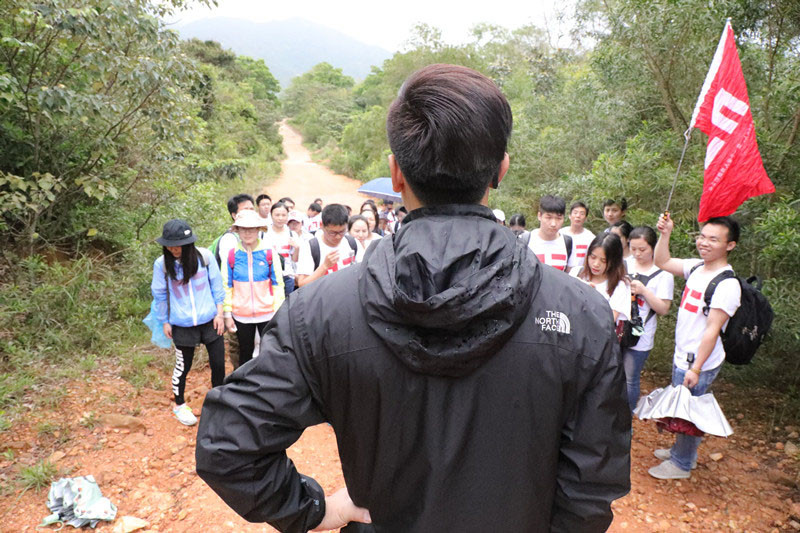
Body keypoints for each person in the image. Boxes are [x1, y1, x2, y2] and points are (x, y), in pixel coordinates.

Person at [196, 63, 630, 532]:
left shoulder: (321, 312)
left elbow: (229, 445)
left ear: (395, 172)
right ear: (500, 170)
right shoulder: (581, 313)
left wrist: (314, 509)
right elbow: (591, 486)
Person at [648, 214, 741, 480]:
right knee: (682, 408)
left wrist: (697, 368)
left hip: (698, 360)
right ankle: (680, 451)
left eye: (714, 239)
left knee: (690, 413)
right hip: (684, 355)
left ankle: (682, 463)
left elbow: (712, 330)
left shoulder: (726, 285)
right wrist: (665, 234)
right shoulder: (697, 268)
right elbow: (662, 261)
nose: (705, 243)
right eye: (702, 236)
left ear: (730, 245)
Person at [151, 220, 225, 426]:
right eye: (169, 245)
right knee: (183, 366)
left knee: (218, 363)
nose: (174, 249)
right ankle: (179, 405)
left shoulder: (205, 258)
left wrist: (220, 314)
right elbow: (159, 294)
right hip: (181, 323)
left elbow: (217, 287)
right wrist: (165, 321)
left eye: (178, 245)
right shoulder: (162, 265)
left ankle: (219, 403)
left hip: (210, 319)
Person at [221, 210, 285, 369]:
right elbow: (226, 286)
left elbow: (278, 285)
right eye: (243, 229)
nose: (247, 232)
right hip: (241, 315)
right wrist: (227, 314)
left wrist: (278, 312)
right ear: (237, 231)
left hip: (268, 313)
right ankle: (246, 387)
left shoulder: (269, 253)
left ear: (258, 230)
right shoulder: (232, 255)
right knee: (245, 353)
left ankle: (268, 385)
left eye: (251, 228)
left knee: (269, 352)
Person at [623, 226, 674, 412]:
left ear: (652, 247)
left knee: (630, 378)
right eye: (633, 248)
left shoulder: (663, 274)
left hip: (640, 334)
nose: (637, 253)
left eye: (642, 249)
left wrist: (644, 291)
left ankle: (626, 416)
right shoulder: (624, 264)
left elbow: (663, 308)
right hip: (616, 328)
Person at [295, 203, 358, 288]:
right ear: (322, 225)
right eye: (332, 233)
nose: (338, 236)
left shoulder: (352, 243)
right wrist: (324, 266)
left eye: (342, 231)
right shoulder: (310, 247)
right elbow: (302, 284)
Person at [573, 233, 630, 325]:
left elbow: (609, 320)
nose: (596, 264)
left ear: (614, 261)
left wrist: (589, 295)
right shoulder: (576, 273)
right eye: (593, 257)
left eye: (603, 261)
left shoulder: (620, 285)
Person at [525, 194, 579, 272]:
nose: (553, 224)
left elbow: (571, 276)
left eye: (558, 218)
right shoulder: (525, 241)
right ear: (539, 216)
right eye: (548, 217)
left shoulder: (568, 243)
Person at [264, 202, 300, 295]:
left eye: (283, 215)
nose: (280, 218)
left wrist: (297, 248)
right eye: (277, 215)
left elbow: (294, 259)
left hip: (287, 277)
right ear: (271, 215)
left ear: (287, 216)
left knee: (286, 306)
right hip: (268, 276)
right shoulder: (264, 233)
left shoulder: (292, 234)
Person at [559, 201, 595, 269]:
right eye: (575, 213)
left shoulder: (590, 238)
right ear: (569, 216)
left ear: (586, 218)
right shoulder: (560, 234)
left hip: (581, 274)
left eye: (582, 214)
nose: (578, 216)